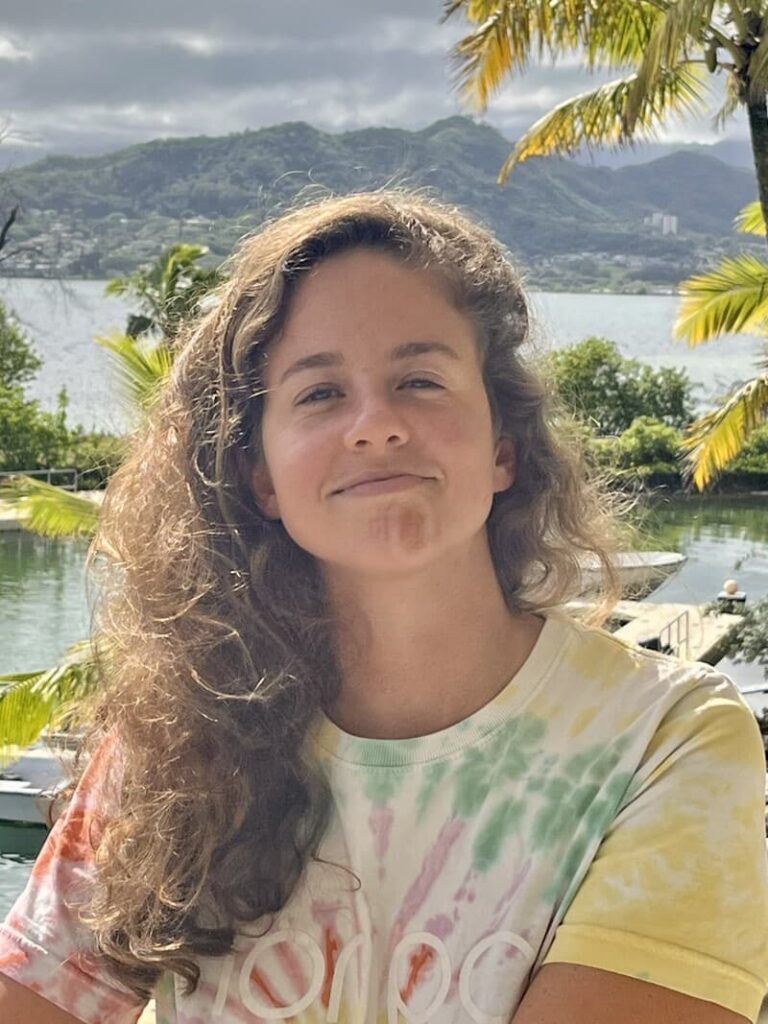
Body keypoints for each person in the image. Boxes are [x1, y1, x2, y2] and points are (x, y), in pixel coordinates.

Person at [0, 190, 766, 1024]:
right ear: (263, 477)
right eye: (320, 393)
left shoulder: (663, 739)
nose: (376, 425)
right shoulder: (181, 740)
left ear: (503, 447)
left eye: (420, 379)